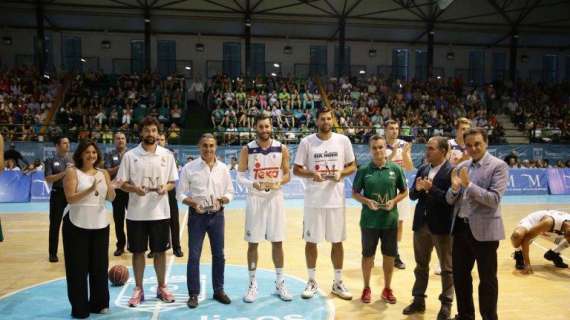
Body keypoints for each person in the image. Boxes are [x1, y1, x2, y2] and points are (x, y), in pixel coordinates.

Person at [293, 107, 357, 300]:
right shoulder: (307, 142)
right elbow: (296, 170)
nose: (326, 121)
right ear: (317, 121)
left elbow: (352, 166)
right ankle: (311, 280)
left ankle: (337, 283)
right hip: (313, 201)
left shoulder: (343, 140)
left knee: (337, 242)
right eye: (323, 118)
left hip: (336, 201)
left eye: (329, 118)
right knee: (311, 242)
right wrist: (312, 173)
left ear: (333, 120)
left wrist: (341, 173)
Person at [446, 127, 509, 320]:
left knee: (487, 280)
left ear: (486, 143)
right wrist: (455, 190)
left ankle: (489, 317)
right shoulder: (461, 167)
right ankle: (465, 315)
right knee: (461, 278)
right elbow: (450, 199)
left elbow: (494, 199)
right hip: (461, 229)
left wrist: (469, 186)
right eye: (469, 145)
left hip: (485, 232)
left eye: (477, 144)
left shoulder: (498, 166)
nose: (473, 148)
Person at [116, 116, 179, 307]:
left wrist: (164, 188)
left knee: (160, 252)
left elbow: (172, 181)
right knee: (138, 252)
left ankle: (162, 287)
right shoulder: (130, 156)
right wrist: (135, 189)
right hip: (136, 213)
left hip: (160, 213)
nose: (150, 134)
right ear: (141, 132)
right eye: (147, 130)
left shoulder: (167, 155)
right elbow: (121, 184)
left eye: (154, 131)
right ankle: (138, 289)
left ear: (158, 133)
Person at [237, 114, 292, 303]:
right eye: (261, 127)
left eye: (267, 126)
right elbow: (240, 177)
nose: (264, 130)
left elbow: (287, 175)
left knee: (278, 242)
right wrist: (254, 184)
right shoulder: (247, 149)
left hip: (275, 199)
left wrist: (278, 182)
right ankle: (252, 284)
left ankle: (280, 282)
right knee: (253, 243)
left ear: (271, 127)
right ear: (255, 128)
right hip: (256, 200)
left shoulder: (281, 148)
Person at [62, 140, 118, 318]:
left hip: (100, 224)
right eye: (87, 152)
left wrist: (112, 188)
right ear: (80, 154)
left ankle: (99, 303)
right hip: (76, 224)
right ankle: (80, 308)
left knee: (99, 267)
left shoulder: (103, 173)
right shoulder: (72, 172)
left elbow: (110, 197)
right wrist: (90, 189)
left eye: (94, 152)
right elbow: (70, 198)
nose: (91, 155)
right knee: (77, 268)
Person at [177, 133, 234, 309]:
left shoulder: (223, 168)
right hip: (197, 216)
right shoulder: (189, 168)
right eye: (205, 146)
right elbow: (180, 194)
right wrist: (193, 203)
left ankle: (219, 290)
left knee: (219, 255)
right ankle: (193, 294)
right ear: (199, 147)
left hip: (217, 216)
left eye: (211, 145)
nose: (208, 149)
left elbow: (230, 192)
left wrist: (222, 200)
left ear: (215, 147)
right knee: (194, 256)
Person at [352, 135, 408, 305]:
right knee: (367, 256)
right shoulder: (363, 171)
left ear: (386, 149)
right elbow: (355, 193)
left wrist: (394, 201)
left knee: (389, 256)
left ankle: (387, 288)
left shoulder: (396, 169)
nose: (378, 151)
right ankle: (367, 287)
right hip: (369, 222)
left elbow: (404, 191)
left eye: (380, 147)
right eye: (374, 148)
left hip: (390, 222)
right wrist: (367, 201)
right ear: (370, 150)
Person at [403, 137, 454, 320]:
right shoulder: (423, 169)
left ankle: (446, 305)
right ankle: (418, 300)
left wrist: (431, 189)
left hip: (441, 227)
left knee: (447, 269)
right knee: (420, 266)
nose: (427, 151)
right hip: (421, 225)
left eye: (431, 148)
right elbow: (412, 195)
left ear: (443, 151)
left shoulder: (451, 171)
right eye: (427, 148)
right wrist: (417, 189)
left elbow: (451, 199)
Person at [384, 119, 414, 269]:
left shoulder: (404, 145)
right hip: (385, 189)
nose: (394, 131)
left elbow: (409, 168)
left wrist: (405, 154)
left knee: (400, 222)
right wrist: (393, 154)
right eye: (391, 128)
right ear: (385, 130)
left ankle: (395, 253)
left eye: (396, 128)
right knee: (387, 223)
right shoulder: (380, 144)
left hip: (401, 188)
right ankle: (387, 251)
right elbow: (380, 165)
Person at [44, 136, 73, 262]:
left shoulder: (73, 160)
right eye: (64, 143)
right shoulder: (50, 160)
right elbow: (48, 178)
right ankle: (52, 253)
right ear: (57, 145)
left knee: (73, 225)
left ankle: (72, 252)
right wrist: (64, 173)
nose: (67, 145)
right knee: (55, 225)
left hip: (71, 194)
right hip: (58, 194)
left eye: (68, 143)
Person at [156, 133, 183, 258]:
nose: (159, 141)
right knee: (156, 221)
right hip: (154, 191)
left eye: (161, 139)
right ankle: (155, 248)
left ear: (165, 141)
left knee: (173, 220)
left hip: (170, 189)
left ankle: (177, 247)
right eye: (157, 139)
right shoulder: (150, 155)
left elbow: (175, 172)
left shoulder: (170, 154)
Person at [104, 132, 129, 257]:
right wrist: (122, 165)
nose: (120, 140)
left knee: (133, 219)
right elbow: (108, 171)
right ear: (114, 141)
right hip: (117, 192)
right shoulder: (109, 155)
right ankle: (120, 246)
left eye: (123, 138)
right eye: (118, 138)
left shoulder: (131, 154)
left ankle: (133, 244)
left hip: (130, 191)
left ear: (126, 140)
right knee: (118, 220)